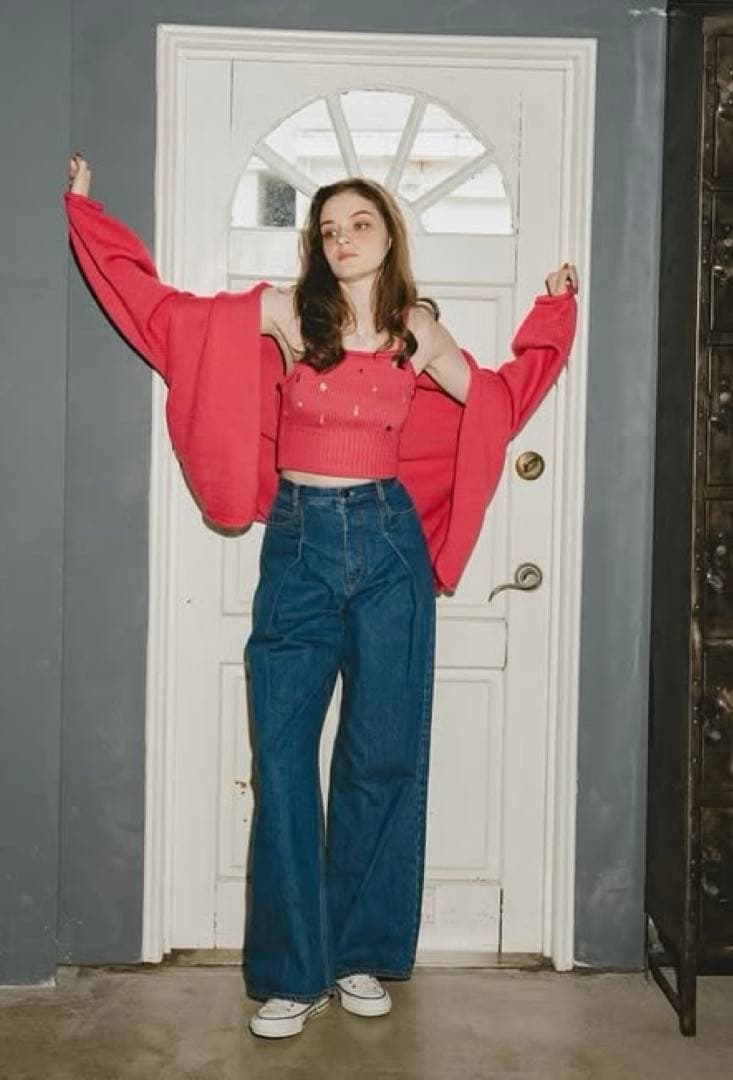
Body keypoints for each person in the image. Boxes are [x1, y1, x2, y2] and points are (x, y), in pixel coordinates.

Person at [66, 152, 579, 1040]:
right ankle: (291, 973)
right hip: (298, 547)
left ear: (388, 236)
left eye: (359, 224)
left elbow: (499, 401)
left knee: (382, 757)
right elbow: (163, 316)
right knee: (281, 761)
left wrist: (551, 318)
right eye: (328, 229)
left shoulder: (418, 331)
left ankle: (358, 955)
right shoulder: (285, 315)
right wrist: (89, 217)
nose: (342, 240)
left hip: (388, 549)